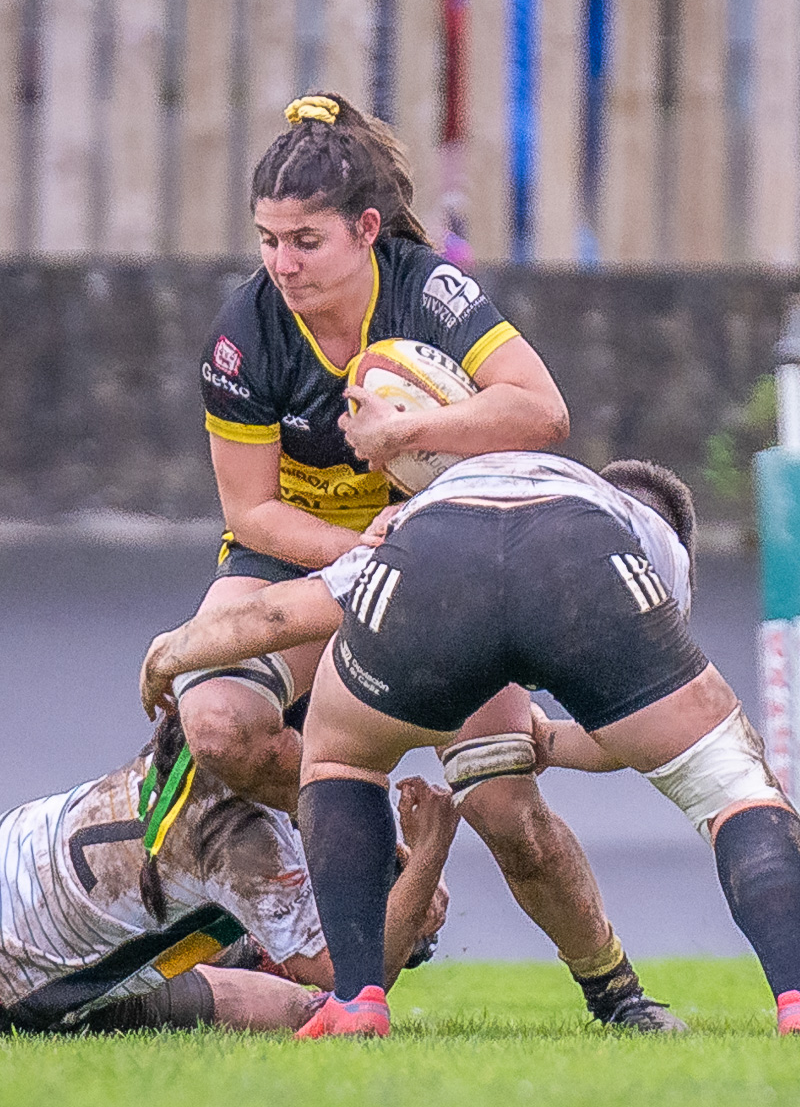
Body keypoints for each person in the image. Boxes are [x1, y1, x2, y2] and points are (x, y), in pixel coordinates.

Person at [185, 90, 673, 1030]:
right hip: (303, 555)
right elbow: (250, 509)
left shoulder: (429, 289)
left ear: (366, 230)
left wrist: (410, 434)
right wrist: (353, 552)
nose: (281, 264)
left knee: (505, 809)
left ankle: (613, 989)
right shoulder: (243, 333)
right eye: (267, 240)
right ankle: (388, 854)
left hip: (441, 559)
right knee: (215, 722)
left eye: (305, 241)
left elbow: (543, 413)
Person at [140, 454, 800, 1038]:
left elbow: (281, 612)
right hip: (572, 560)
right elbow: (637, 729)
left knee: (339, 760)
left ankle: (356, 1002)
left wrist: (173, 652)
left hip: (434, 565)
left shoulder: (429, 505)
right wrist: (557, 742)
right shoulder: (643, 537)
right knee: (731, 784)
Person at [0, 710, 453, 1035]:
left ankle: (268, 948)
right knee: (310, 1007)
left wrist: (169, 655)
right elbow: (354, 982)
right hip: (14, 986)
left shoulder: (218, 710)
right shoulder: (242, 841)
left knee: (220, 915)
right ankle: (271, 954)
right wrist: (428, 855)